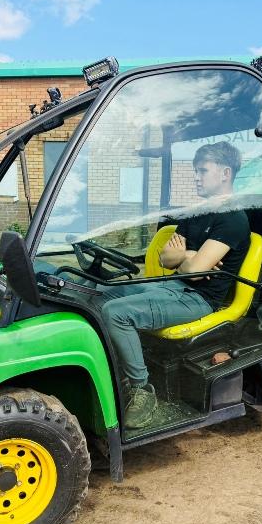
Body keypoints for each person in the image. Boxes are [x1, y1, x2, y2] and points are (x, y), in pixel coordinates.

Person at [99, 141, 251, 429]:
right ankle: (114, 371)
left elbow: (194, 272)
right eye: (195, 170)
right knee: (98, 296)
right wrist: (189, 258)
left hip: (197, 299)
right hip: (171, 287)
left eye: (202, 171)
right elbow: (167, 258)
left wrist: (188, 259)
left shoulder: (234, 217)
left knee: (116, 313)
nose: (196, 176)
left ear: (225, 173)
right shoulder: (196, 213)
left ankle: (142, 389)